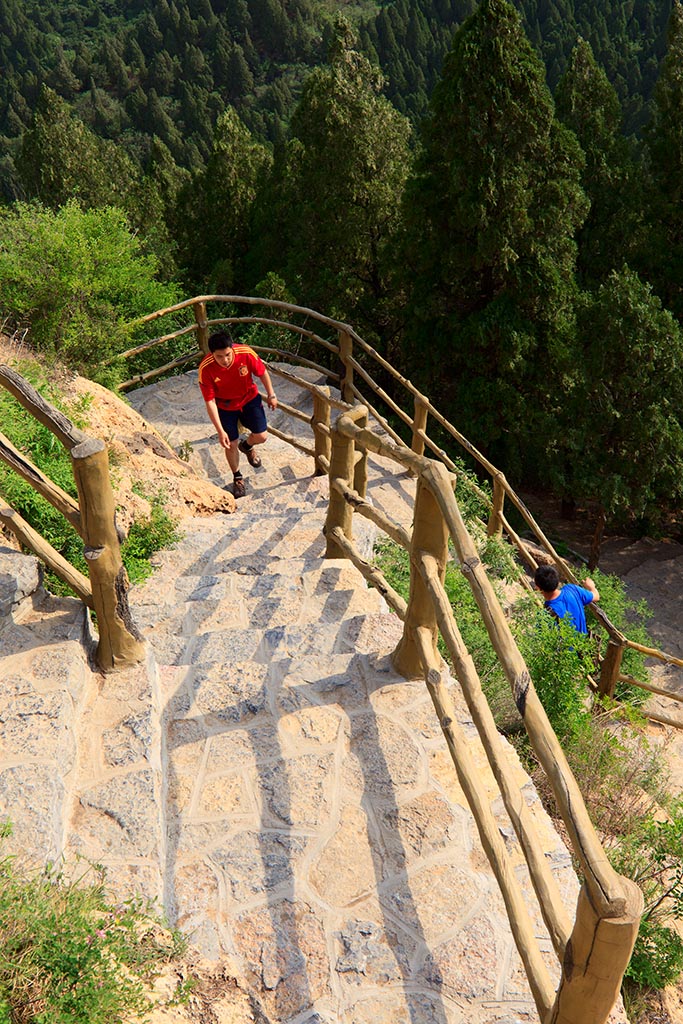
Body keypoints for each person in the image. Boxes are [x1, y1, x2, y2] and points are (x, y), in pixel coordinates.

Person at [198, 330, 278, 498]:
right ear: (212, 354)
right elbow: (210, 402)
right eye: (219, 356)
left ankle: (247, 446)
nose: (225, 360)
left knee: (262, 436)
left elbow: (262, 372)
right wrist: (220, 431)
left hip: (249, 399)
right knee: (230, 443)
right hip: (225, 407)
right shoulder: (206, 369)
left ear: (232, 348)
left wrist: (271, 394)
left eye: (227, 354)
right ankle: (237, 477)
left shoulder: (245, 353)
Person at [533, 563, 600, 635]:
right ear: (557, 581)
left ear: (539, 588)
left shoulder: (546, 614)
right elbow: (596, 596)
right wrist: (591, 587)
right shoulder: (573, 589)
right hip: (583, 644)